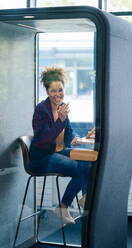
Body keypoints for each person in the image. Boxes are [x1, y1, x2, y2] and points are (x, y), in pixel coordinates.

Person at [28, 66, 91, 224]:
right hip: (41, 158)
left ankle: (79, 199)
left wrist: (76, 138)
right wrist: (60, 121)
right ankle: (74, 203)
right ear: (47, 91)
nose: (57, 94)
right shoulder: (40, 110)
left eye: (60, 90)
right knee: (79, 168)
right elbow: (44, 140)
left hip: (59, 152)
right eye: (53, 91)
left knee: (88, 162)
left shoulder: (62, 108)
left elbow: (69, 133)